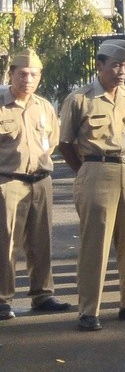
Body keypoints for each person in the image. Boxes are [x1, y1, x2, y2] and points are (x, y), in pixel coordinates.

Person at [58, 39, 125, 329]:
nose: (122, 71)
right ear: (99, 65)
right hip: (96, 170)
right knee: (96, 244)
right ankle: (89, 310)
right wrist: (85, 171)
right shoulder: (80, 99)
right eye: (115, 65)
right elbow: (65, 144)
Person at [0, 47, 70, 320]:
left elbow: (51, 142)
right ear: (11, 74)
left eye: (34, 74)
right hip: (8, 182)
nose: (28, 79)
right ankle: (2, 299)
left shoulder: (44, 106)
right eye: (22, 74)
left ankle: (43, 294)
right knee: (6, 243)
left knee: (41, 242)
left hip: (40, 181)